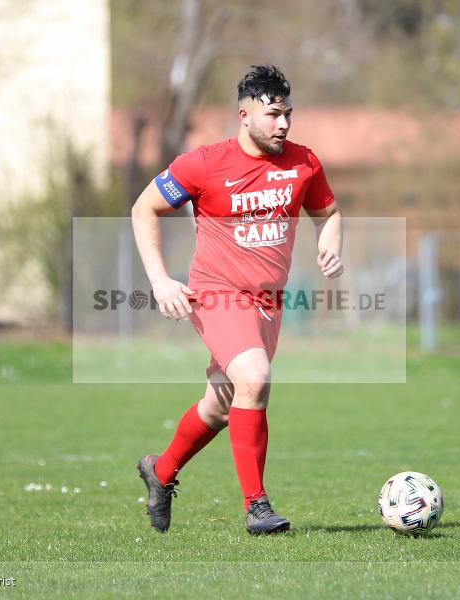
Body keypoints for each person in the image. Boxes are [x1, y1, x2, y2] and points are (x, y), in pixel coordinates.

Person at [131, 65, 344, 535]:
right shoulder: (202, 164)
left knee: (222, 404)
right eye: (273, 115)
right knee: (254, 377)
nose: (284, 124)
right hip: (216, 294)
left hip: (268, 303)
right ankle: (257, 506)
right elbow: (143, 206)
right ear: (244, 114)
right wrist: (160, 279)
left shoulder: (304, 162)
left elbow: (328, 212)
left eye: (288, 114)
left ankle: (160, 470)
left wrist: (331, 240)